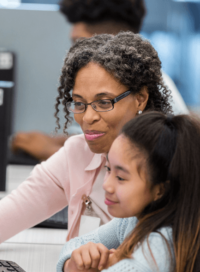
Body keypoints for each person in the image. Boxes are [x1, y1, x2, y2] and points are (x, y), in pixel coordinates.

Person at [0, 32, 172, 251]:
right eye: (79, 103)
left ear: (140, 98)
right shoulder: (77, 154)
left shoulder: (172, 164)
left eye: (104, 102)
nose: (88, 117)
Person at [57, 111, 200, 272]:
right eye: (108, 169)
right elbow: (75, 244)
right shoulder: (131, 221)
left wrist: (108, 265)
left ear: (160, 190)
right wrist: (72, 265)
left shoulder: (164, 246)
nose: (106, 184)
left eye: (121, 177)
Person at [12, 0, 189, 161]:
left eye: (79, 43)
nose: (75, 53)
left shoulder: (153, 90)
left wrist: (46, 150)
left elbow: (133, 165)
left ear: (109, 44)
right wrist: (53, 142)